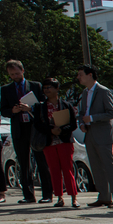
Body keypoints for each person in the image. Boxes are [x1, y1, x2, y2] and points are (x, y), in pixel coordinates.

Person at [0, 60, 51, 204]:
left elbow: (44, 105)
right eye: (11, 74)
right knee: (23, 162)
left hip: (35, 127)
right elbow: (3, 110)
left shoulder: (35, 86)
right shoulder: (6, 89)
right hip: (19, 127)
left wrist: (31, 108)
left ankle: (47, 194)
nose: (15, 76)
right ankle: (28, 195)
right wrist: (13, 111)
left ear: (22, 70)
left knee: (41, 161)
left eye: (16, 73)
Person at [76, 64, 113, 208]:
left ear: (90, 75)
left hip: (103, 134)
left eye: (80, 74)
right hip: (90, 134)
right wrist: (82, 123)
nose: (78, 77)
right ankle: (104, 197)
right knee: (96, 167)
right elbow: (82, 113)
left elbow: (111, 113)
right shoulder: (85, 93)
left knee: (109, 167)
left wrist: (91, 118)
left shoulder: (103, 91)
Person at [31, 78, 80, 208]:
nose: (47, 90)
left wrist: (61, 130)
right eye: (45, 88)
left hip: (64, 141)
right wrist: (51, 130)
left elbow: (73, 124)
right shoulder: (40, 107)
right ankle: (59, 197)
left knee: (67, 169)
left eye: (49, 87)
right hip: (49, 142)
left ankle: (74, 198)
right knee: (54, 170)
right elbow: (37, 124)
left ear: (57, 89)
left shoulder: (66, 105)